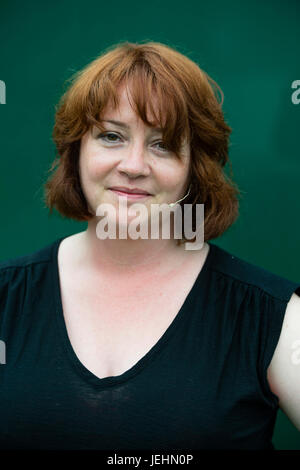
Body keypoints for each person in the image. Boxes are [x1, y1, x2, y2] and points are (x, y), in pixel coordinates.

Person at [0, 41, 299, 451]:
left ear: (195, 169)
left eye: (163, 144)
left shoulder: (272, 315)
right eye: (111, 136)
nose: (134, 165)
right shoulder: (5, 297)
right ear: (76, 152)